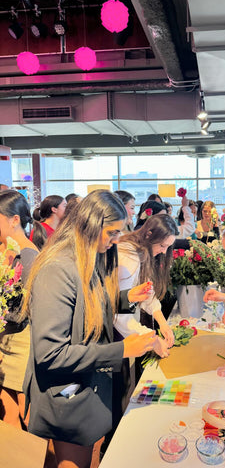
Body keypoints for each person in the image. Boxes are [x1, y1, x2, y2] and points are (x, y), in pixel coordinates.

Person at [21, 190, 156, 468]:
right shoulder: (58, 268)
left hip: (84, 388)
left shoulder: (87, 256)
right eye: (112, 233)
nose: (116, 240)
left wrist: (126, 298)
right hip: (66, 393)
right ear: (90, 225)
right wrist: (121, 349)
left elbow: (86, 307)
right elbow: (50, 354)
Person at [0, 190, 38, 429]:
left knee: (28, 417)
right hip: (7, 339)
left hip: (23, 342)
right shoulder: (7, 251)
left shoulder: (29, 257)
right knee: (8, 416)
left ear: (15, 220)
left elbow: (24, 309)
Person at [115, 214, 179, 356]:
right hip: (115, 333)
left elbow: (146, 292)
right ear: (149, 235)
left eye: (168, 247)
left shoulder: (142, 251)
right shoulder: (129, 256)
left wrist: (163, 323)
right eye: (162, 245)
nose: (164, 251)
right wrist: (152, 339)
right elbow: (119, 312)